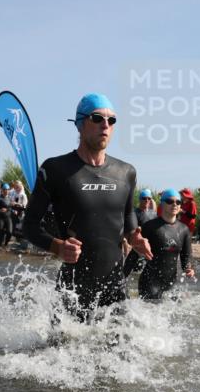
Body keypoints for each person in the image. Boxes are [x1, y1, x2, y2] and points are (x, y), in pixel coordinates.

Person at [21, 92, 151, 318]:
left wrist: (134, 237)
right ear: (80, 124)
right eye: (97, 118)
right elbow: (29, 226)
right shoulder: (55, 169)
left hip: (114, 287)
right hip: (72, 288)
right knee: (61, 352)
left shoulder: (126, 172)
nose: (106, 125)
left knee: (121, 351)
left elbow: (128, 216)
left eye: (112, 120)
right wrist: (58, 247)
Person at [135, 189, 194, 299]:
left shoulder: (184, 229)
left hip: (171, 284)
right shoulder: (150, 226)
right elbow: (134, 254)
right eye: (170, 201)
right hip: (150, 283)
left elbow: (186, 255)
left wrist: (188, 268)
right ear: (162, 203)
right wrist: (122, 277)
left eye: (178, 202)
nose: (174, 204)